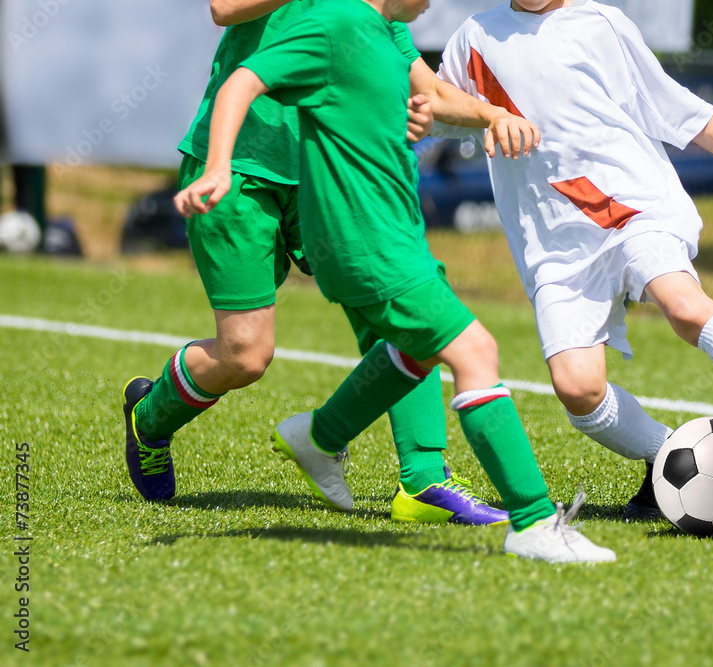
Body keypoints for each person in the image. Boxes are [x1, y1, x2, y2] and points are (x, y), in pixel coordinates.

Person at [173, 0, 614, 563]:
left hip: (390, 231)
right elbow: (235, 54)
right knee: (470, 349)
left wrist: (478, 114)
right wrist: (216, 165)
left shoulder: (382, 31)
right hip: (359, 236)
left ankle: (333, 440)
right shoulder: (338, 23)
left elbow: (416, 96)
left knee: (423, 346)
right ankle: (533, 522)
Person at [433, 0, 713, 521]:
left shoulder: (600, 23)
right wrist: (452, 116)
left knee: (685, 307)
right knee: (577, 388)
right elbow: (439, 108)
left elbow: (674, 106)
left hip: (633, 205)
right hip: (555, 243)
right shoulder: (474, 36)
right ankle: (670, 458)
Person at [123, 0, 532, 528]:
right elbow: (223, 8)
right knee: (244, 354)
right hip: (240, 175)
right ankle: (149, 418)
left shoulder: (368, 15)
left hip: (326, 183)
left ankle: (425, 480)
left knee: (410, 301)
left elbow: (425, 87)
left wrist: (494, 115)